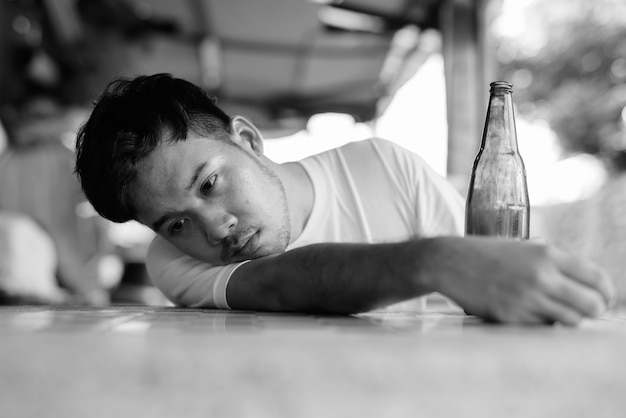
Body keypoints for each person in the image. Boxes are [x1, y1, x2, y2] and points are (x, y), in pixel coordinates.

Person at [74, 73, 615, 325]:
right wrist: (435, 258)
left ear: (248, 140)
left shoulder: (384, 167)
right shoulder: (171, 260)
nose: (213, 230)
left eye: (210, 183)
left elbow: (485, 287)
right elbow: (290, 283)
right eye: (175, 223)